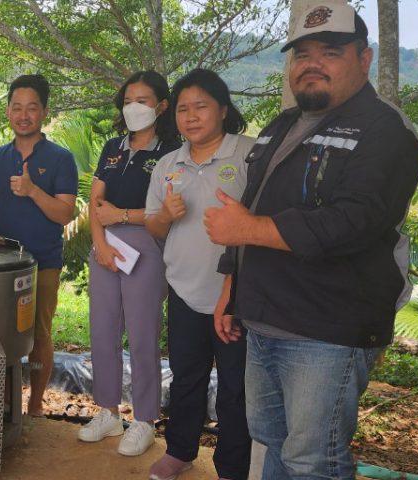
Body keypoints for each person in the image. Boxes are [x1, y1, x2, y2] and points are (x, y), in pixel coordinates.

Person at [203, 3, 418, 478]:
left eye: (330, 52)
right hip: (264, 318)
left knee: (313, 459)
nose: (312, 64)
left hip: (326, 330)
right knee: (272, 439)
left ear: (364, 59)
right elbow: (248, 207)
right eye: (301, 54)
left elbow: (354, 221)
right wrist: (231, 288)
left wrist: (247, 230)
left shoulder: (386, 130)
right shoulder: (282, 125)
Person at [142, 69, 255, 480]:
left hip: (238, 295)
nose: (190, 117)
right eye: (183, 109)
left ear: (223, 109)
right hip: (184, 290)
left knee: (236, 387)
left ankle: (232, 467)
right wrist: (165, 216)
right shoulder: (168, 164)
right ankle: (180, 451)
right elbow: (154, 228)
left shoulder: (250, 154)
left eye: (201, 107)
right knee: (187, 376)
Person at [77, 71, 180, 457]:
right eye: (128, 101)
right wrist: (100, 244)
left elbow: (168, 210)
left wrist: (122, 215)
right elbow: (95, 200)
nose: (133, 108)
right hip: (105, 248)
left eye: (143, 100)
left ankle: (144, 420)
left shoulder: (172, 151)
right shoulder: (113, 147)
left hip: (146, 247)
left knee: (142, 334)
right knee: (103, 330)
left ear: (161, 105)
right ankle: (107, 412)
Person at [0, 74, 78, 417]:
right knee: (2, 334)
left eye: (31, 108)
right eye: (16, 107)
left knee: (39, 334)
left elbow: (64, 214)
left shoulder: (61, 158)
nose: (23, 115)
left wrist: (33, 190)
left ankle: (34, 406)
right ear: (7, 112)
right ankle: (6, 405)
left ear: (44, 112)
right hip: (3, 264)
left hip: (44, 262)